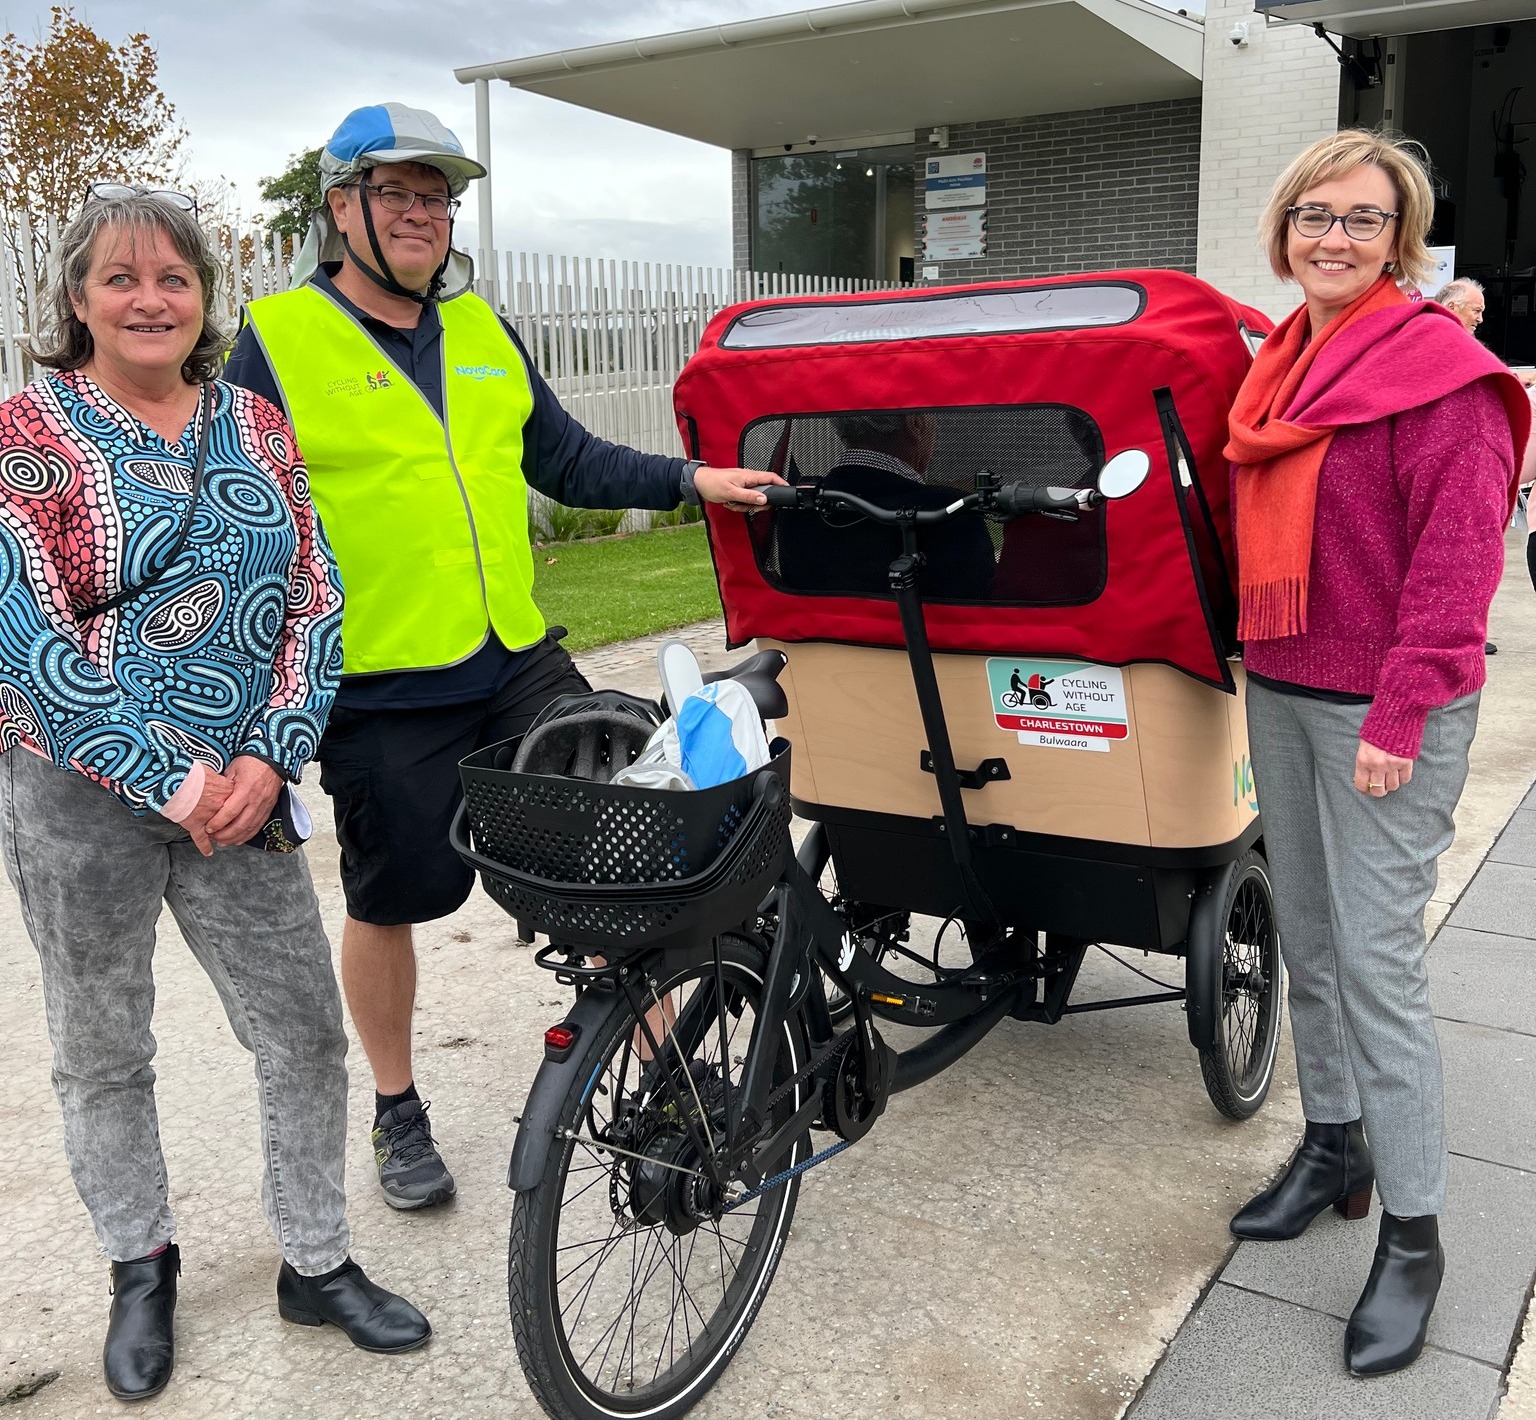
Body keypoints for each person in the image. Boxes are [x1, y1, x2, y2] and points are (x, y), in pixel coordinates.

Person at [223, 104, 782, 1210]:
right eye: (398, 195)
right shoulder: (278, 338)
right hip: (384, 686)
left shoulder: (483, 329)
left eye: (437, 198)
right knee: (391, 899)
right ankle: (398, 1108)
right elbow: (245, 525)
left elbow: (565, 457)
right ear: (342, 209)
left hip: (517, 659)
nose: (424, 216)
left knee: (626, 852)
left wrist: (689, 480)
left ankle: (666, 1073)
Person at [0, 188, 431, 1402]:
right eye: (122, 278)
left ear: (204, 299)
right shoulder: (24, 437)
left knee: (299, 1029)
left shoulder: (252, 423)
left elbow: (317, 595)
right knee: (100, 1047)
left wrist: (268, 752)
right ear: (77, 299)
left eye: (174, 278)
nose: (149, 299)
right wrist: (172, 774)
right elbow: (20, 632)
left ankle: (315, 1256)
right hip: (76, 793)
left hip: (244, 787)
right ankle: (140, 1266)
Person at [1224, 131, 1528, 1377]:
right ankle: (1333, 1144)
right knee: (1307, 931)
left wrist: (1403, 715)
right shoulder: (1280, 370)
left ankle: (1414, 1235)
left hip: (1386, 712)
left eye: (1361, 219)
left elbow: (1459, 571)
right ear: (1285, 230)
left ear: (1399, 240)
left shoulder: (1440, 374)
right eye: (1314, 215)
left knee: (1378, 963)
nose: (1333, 238)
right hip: (1283, 684)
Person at [773, 411, 995, 598]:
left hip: (808, 649)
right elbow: (978, 617)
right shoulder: (951, 511)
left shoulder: (796, 505)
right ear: (915, 424)